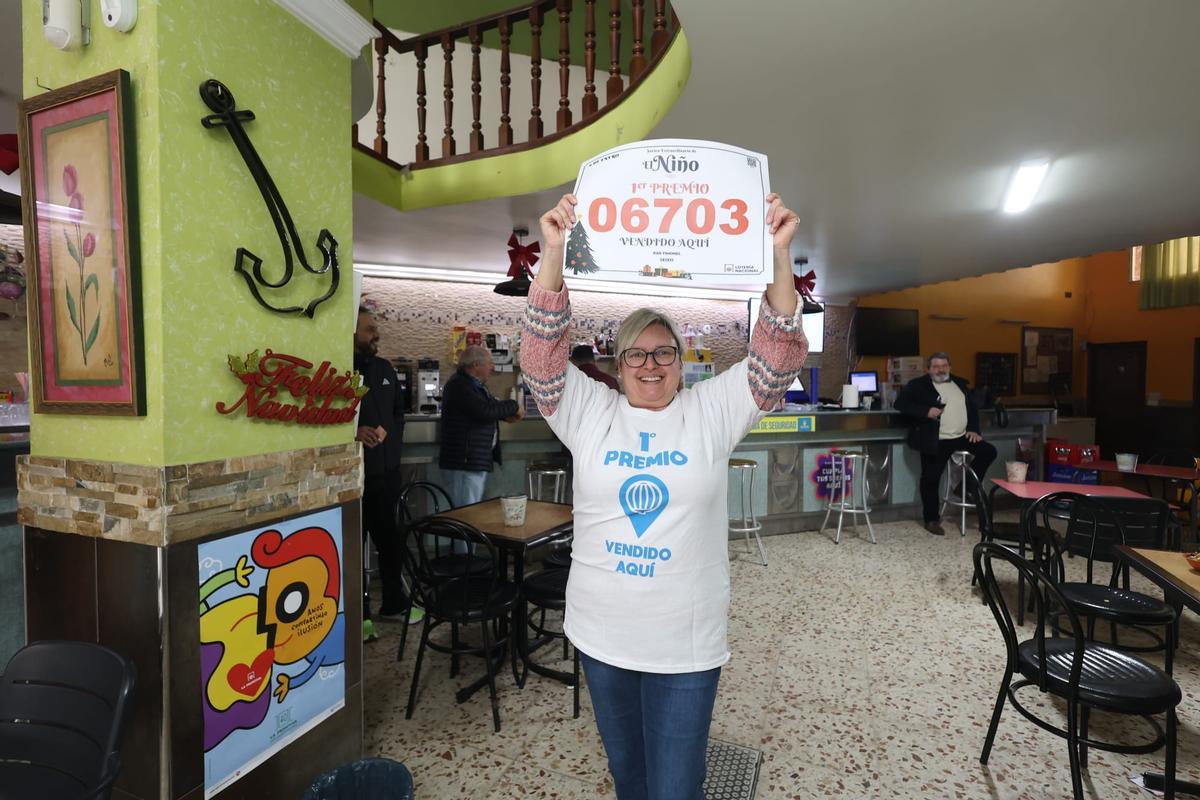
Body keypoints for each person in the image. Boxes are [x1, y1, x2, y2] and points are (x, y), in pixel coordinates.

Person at [520, 193, 808, 800]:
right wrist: (552, 251)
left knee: (677, 788)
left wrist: (779, 255)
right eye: (636, 354)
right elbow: (541, 358)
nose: (651, 365)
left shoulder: (709, 411)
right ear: (618, 364)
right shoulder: (589, 411)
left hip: (686, 643)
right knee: (630, 780)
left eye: (664, 353)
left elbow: (776, 357)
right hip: (602, 635)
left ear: (680, 362)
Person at [353, 308, 423, 638]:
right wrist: (354, 433)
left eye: (375, 329)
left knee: (391, 542)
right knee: (353, 550)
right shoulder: (337, 368)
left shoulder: (384, 369)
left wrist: (390, 442)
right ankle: (359, 617)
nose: (376, 335)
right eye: (369, 329)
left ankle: (394, 603)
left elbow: (398, 413)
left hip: (386, 474)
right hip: (353, 480)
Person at [895, 351, 997, 536]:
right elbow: (900, 404)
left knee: (989, 451)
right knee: (930, 480)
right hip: (936, 439)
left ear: (949, 367)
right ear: (928, 369)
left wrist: (974, 430)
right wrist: (926, 411)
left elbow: (972, 408)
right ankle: (931, 520)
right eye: (935, 366)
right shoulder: (918, 385)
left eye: (943, 366)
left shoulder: (960, 384)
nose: (940, 370)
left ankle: (966, 486)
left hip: (961, 436)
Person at [438, 345, 524, 507]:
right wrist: (514, 406)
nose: (492, 367)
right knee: (465, 515)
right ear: (476, 365)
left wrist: (505, 415)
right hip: (464, 462)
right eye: (489, 363)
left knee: (469, 512)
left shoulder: (474, 386)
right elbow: (483, 410)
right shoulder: (460, 385)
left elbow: (489, 407)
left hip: (471, 461)